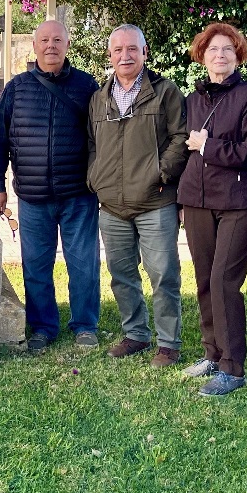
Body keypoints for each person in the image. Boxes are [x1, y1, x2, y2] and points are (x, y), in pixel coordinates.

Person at [0, 20, 101, 354]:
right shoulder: (17, 88)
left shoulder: (86, 86)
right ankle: (42, 327)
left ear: (67, 45)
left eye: (57, 40)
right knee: (35, 263)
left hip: (78, 194)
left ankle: (85, 325)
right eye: (44, 40)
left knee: (83, 262)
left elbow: (100, 138)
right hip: (33, 196)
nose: (51, 46)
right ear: (34, 46)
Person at [177, 23, 247, 396]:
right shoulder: (193, 99)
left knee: (223, 281)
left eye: (228, 50)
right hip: (198, 202)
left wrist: (209, 146)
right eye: (213, 49)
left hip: (238, 204)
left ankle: (233, 368)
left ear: (238, 56)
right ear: (202, 55)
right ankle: (213, 355)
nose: (220, 55)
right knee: (203, 281)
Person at [87, 24, 189, 367]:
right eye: (118, 50)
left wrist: (161, 174)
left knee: (163, 273)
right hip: (111, 205)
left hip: (154, 202)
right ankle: (136, 335)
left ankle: (169, 343)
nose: (125, 56)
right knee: (121, 274)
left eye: (132, 49)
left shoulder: (165, 92)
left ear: (144, 53)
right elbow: (92, 144)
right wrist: (95, 179)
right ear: (110, 56)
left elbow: (181, 137)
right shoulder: (99, 99)